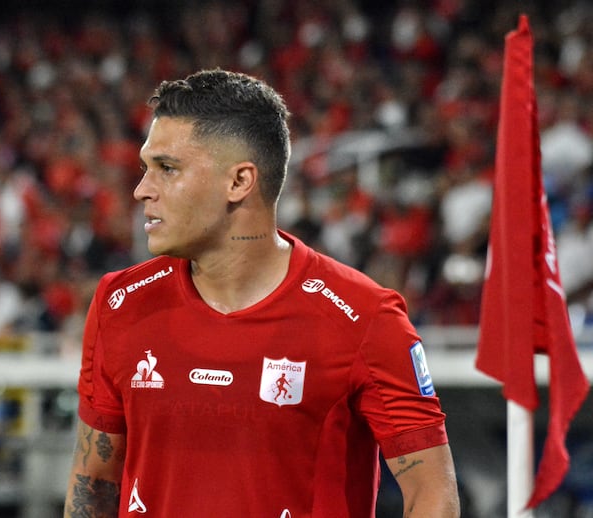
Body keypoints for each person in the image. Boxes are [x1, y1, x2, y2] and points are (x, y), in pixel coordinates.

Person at [64, 69, 460, 517]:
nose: (141, 191)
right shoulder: (121, 303)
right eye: (145, 168)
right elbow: (93, 484)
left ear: (239, 182)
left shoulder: (365, 318)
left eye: (167, 169)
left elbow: (433, 496)